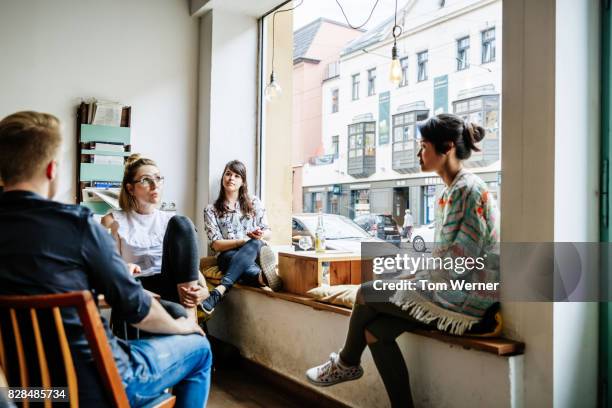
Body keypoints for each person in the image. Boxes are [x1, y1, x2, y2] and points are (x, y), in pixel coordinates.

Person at [0, 111, 212, 408]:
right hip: (97, 388)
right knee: (200, 348)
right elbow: (136, 307)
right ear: (51, 170)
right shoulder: (77, 225)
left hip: (30, 393)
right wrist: (184, 326)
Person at [305, 113, 500, 408]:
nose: (418, 153)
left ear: (446, 147)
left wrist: (413, 277)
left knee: (365, 292)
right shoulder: (450, 191)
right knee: (374, 333)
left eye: (423, 146)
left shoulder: (468, 190)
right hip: (452, 291)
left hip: (471, 301)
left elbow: (462, 263)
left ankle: (346, 362)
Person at [101, 154, 208, 314]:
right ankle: (186, 322)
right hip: (136, 289)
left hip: (172, 289)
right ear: (130, 188)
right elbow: (103, 267)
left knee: (183, 223)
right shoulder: (112, 221)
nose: (155, 185)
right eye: (146, 180)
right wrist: (123, 267)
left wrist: (204, 290)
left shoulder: (170, 221)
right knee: (175, 312)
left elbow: (188, 268)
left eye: (158, 179)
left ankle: (189, 319)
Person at [202, 160, 281, 314]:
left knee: (256, 243)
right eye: (228, 174)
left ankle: (221, 289)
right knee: (229, 256)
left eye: (237, 175)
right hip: (227, 255)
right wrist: (242, 241)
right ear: (223, 178)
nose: (231, 178)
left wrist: (260, 235)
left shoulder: (254, 202)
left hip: (255, 252)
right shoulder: (211, 210)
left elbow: (268, 232)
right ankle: (261, 278)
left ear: (243, 181)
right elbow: (216, 245)